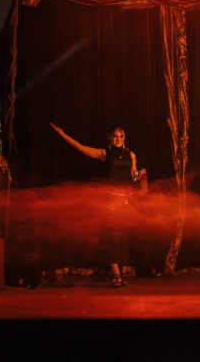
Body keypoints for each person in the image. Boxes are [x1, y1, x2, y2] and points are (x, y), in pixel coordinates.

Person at [50, 123, 146, 287]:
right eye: (115, 136)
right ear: (109, 137)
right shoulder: (104, 154)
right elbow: (81, 148)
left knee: (122, 238)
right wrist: (63, 135)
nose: (118, 139)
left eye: (121, 136)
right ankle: (116, 274)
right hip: (111, 201)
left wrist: (143, 180)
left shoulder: (131, 155)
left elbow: (134, 175)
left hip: (126, 201)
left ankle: (118, 272)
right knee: (113, 236)